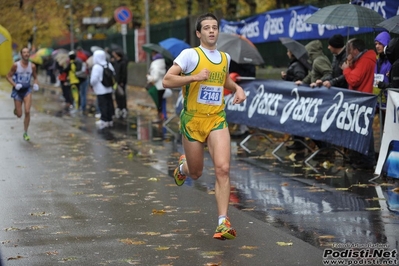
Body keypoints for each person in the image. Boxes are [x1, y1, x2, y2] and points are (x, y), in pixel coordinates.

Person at [162, 13, 246, 240]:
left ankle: (222, 222)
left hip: (217, 118)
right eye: (206, 28)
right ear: (199, 33)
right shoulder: (190, 55)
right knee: (197, 173)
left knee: (223, 169)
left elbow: (223, 80)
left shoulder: (225, 57)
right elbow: (167, 80)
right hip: (193, 120)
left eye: (215, 27)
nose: (211, 31)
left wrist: (237, 89)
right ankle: (184, 167)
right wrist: (194, 77)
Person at [341, 38, 376, 170]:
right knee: (359, 129)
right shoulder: (363, 59)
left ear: (355, 50)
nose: (348, 53)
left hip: (363, 99)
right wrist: (350, 65)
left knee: (364, 130)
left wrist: (346, 69)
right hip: (361, 99)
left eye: (349, 50)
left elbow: (354, 80)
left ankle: (367, 160)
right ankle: (359, 157)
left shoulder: (365, 60)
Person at [6, 47, 39, 141]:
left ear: (29, 54)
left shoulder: (32, 66)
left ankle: (25, 132)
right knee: (19, 115)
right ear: (21, 54)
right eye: (24, 52)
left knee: (27, 111)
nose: (26, 54)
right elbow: (8, 76)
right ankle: (16, 110)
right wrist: (15, 85)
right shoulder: (16, 65)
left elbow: (35, 77)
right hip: (17, 91)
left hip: (27, 90)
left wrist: (36, 84)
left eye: (27, 52)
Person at [281, 48, 308, 150]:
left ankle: (300, 143)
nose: (287, 53)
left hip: (297, 98)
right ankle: (297, 142)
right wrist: (286, 77)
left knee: (297, 119)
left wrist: (290, 78)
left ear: (292, 53)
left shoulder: (297, 65)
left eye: (288, 51)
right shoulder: (294, 64)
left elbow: (299, 78)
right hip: (293, 98)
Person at [90, 49, 115, 129]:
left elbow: (93, 79)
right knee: (109, 104)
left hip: (100, 90)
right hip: (109, 88)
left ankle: (104, 120)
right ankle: (110, 119)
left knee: (102, 105)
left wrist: (92, 85)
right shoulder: (108, 64)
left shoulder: (96, 67)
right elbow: (113, 74)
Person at [373, 31, 391, 128]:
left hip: (390, 100)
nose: (377, 46)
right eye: (376, 43)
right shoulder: (378, 60)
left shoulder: (391, 60)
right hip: (380, 101)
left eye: (380, 43)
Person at [147, 50, 167, 123]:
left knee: (158, 103)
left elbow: (155, 78)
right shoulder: (162, 64)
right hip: (163, 86)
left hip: (157, 87)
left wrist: (149, 77)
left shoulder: (155, 65)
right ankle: (163, 117)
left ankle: (160, 118)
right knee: (162, 102)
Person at [112, 50, 128, 119]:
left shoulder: (123, 63)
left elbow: (124, 73)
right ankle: (119, 106)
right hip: (116, 82)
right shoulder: (115, 62)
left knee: (122, 94)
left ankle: (123, 107)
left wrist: (122, 81)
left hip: (121, 82)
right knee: (117, 94)